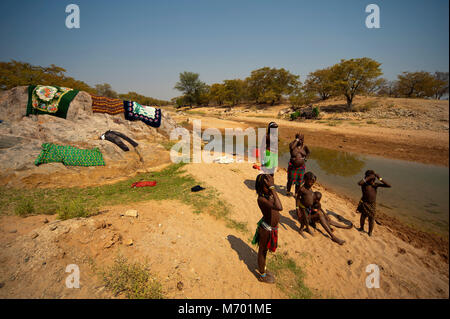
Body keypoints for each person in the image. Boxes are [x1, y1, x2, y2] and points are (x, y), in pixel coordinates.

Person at [296, 172, 345, 245]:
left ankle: (309, 229)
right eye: (310, 181)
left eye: (313, 182)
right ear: (305, 180)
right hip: (303, 209)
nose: (312, 183)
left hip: (308, 209)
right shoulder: (302, 189)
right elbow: (297, 199)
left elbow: (310, 199)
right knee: (305, 220)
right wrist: (297, 209)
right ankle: (301, 230)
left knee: (315, 216)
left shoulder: (310, 188)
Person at [251, 173, 283, 283]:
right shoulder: (261, 199)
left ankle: (263, 268)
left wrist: (271, 187)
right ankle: (262, 275)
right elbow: (279, 207)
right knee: (262, 251)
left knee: (265, 251)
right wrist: (273, 188)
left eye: (271, 186)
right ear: (261, 187)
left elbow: (277, 204)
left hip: (272, 228)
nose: (270, 188)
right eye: (267, 186)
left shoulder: (269, 195)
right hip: (266, 229)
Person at [356, 170, 391, 236]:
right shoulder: (364, 184)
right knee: (363, 216)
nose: (373, 181)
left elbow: (388, 185)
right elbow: (359, 183)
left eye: (373, 179)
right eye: (371, 179)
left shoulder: (375, 185)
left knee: (371, 218)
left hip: (372, 204)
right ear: (367, 178)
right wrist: (369, 177)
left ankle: (370, 232)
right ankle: (361, 228)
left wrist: (380, 178)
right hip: (364, 203)